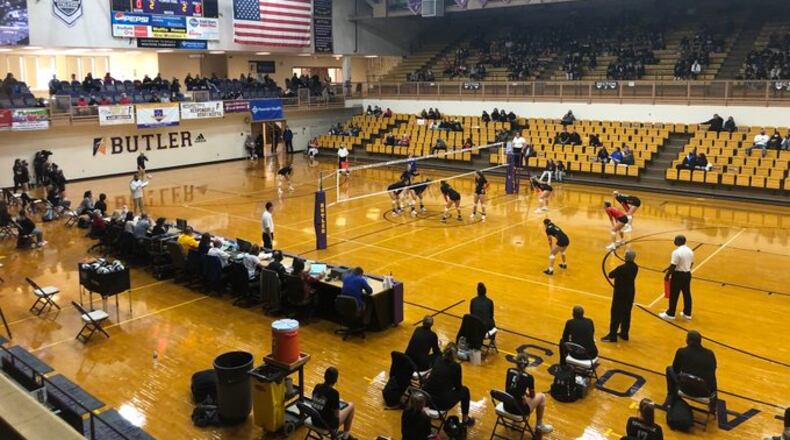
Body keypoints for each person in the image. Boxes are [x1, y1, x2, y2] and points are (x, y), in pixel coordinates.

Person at [423, 344, 475, 426]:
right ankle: (465, 419)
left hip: (426, 399)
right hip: (441, 403)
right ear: (455, 355)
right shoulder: (456, 366)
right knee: (465, 391)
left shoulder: (437, 359)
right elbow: (458, 386)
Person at [505, 352, 554, 434]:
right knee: (542, 397)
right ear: (527, 364)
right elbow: (532, 396)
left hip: (506, 406)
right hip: (519, 410)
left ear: (516, 362)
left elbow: (511, 388)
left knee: (518, 397)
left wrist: (524, 393)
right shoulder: (529, 377)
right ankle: (539, 426)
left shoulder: (509, 370)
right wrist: (526, 394)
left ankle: (515, 422)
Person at [665, 331, 717, 404]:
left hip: (685, 389)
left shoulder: (681, 352)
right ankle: (713, 404)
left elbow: (675, 369)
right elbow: (713, 371)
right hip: (704, 392)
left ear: (687, 340)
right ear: (700, 341)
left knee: (669, 369)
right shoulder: (710, 354)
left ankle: (671, 397)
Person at [602, 249, 638, 343]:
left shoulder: (621, 268)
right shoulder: (635, 267)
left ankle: (612, 336)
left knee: (616, 314)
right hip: (630, 293)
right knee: (626, 314)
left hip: (620, 293)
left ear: (625, 257)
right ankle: (624, 334)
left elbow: (611, 275)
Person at [311, 367, 356, 440]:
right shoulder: (334, 393)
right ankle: (345, 437)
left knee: (338, 408)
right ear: (336, 380)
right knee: (351, 406)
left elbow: (319, 402)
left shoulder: (317, 386)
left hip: (314, 420)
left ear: (324, 376)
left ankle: (339, 435)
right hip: (325, 424)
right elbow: (336, 415)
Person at [659, 235, 694, 321]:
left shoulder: (676, 252)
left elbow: (673, 266)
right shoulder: (690, 251)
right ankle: (687, 313)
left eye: (675, 240)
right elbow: (691, 263)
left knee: (674, 294)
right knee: (687, 294)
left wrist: (667, 275)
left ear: (678, 241)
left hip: (678, 275)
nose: (674, 241)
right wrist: (686, 269)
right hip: (687, 274)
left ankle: (671, 314)